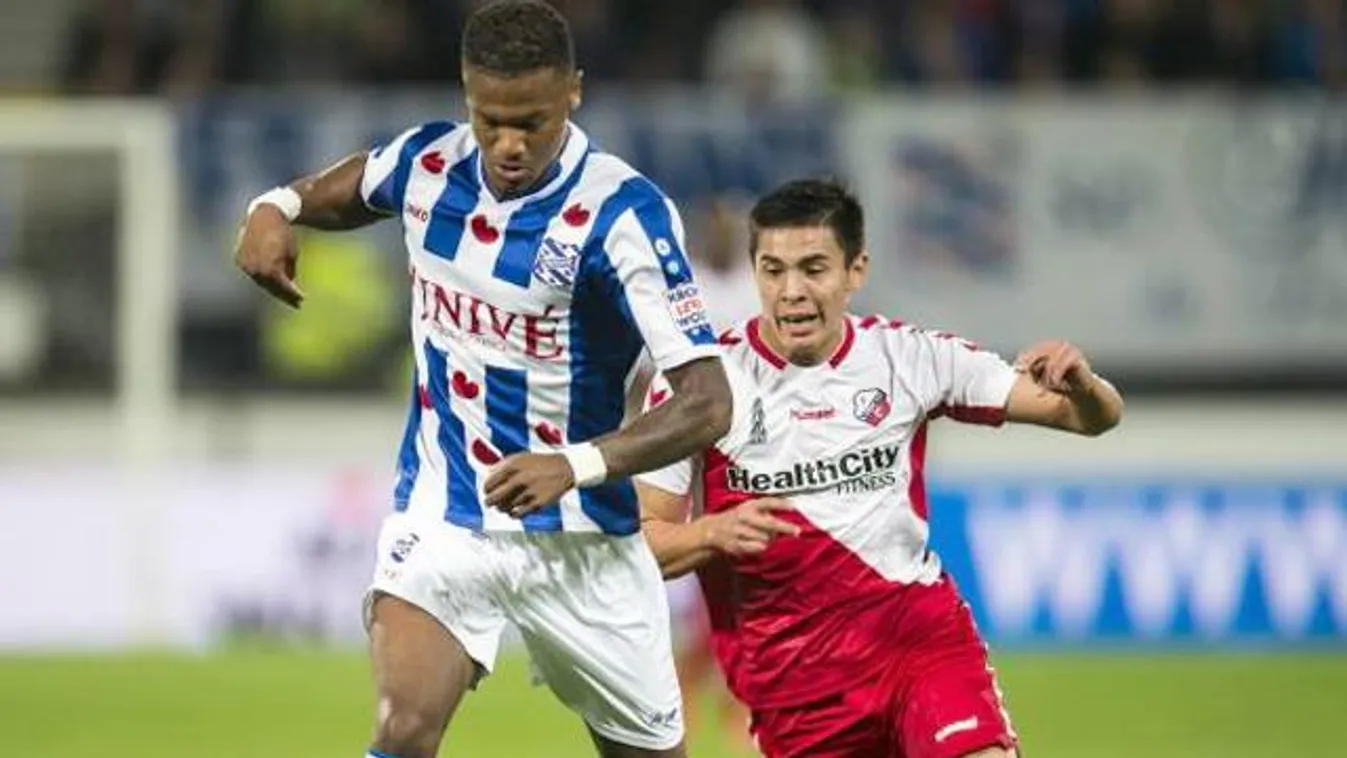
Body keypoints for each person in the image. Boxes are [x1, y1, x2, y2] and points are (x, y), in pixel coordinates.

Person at [233, 2, 732, 757]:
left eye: (530, 122)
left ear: (573, 91)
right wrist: (277, 206)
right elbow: (355, 187)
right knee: (403, 726)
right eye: (488, 120)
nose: (507, 144)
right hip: (445, 515)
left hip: (583, 542)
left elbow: (708, 400)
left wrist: (573, 465)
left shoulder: (624, 215)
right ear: (467, 94)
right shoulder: (429, 163)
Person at [637, 178, 1124, 758]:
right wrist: (711, 532)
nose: (791, 292)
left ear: (856, 270)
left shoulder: (908, 357)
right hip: (798, 692)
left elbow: (1088, 418)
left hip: (920, 647)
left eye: (813, 269)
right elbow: (641, 542)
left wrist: (1083, 385)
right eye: (773, 271)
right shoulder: (699, 389)